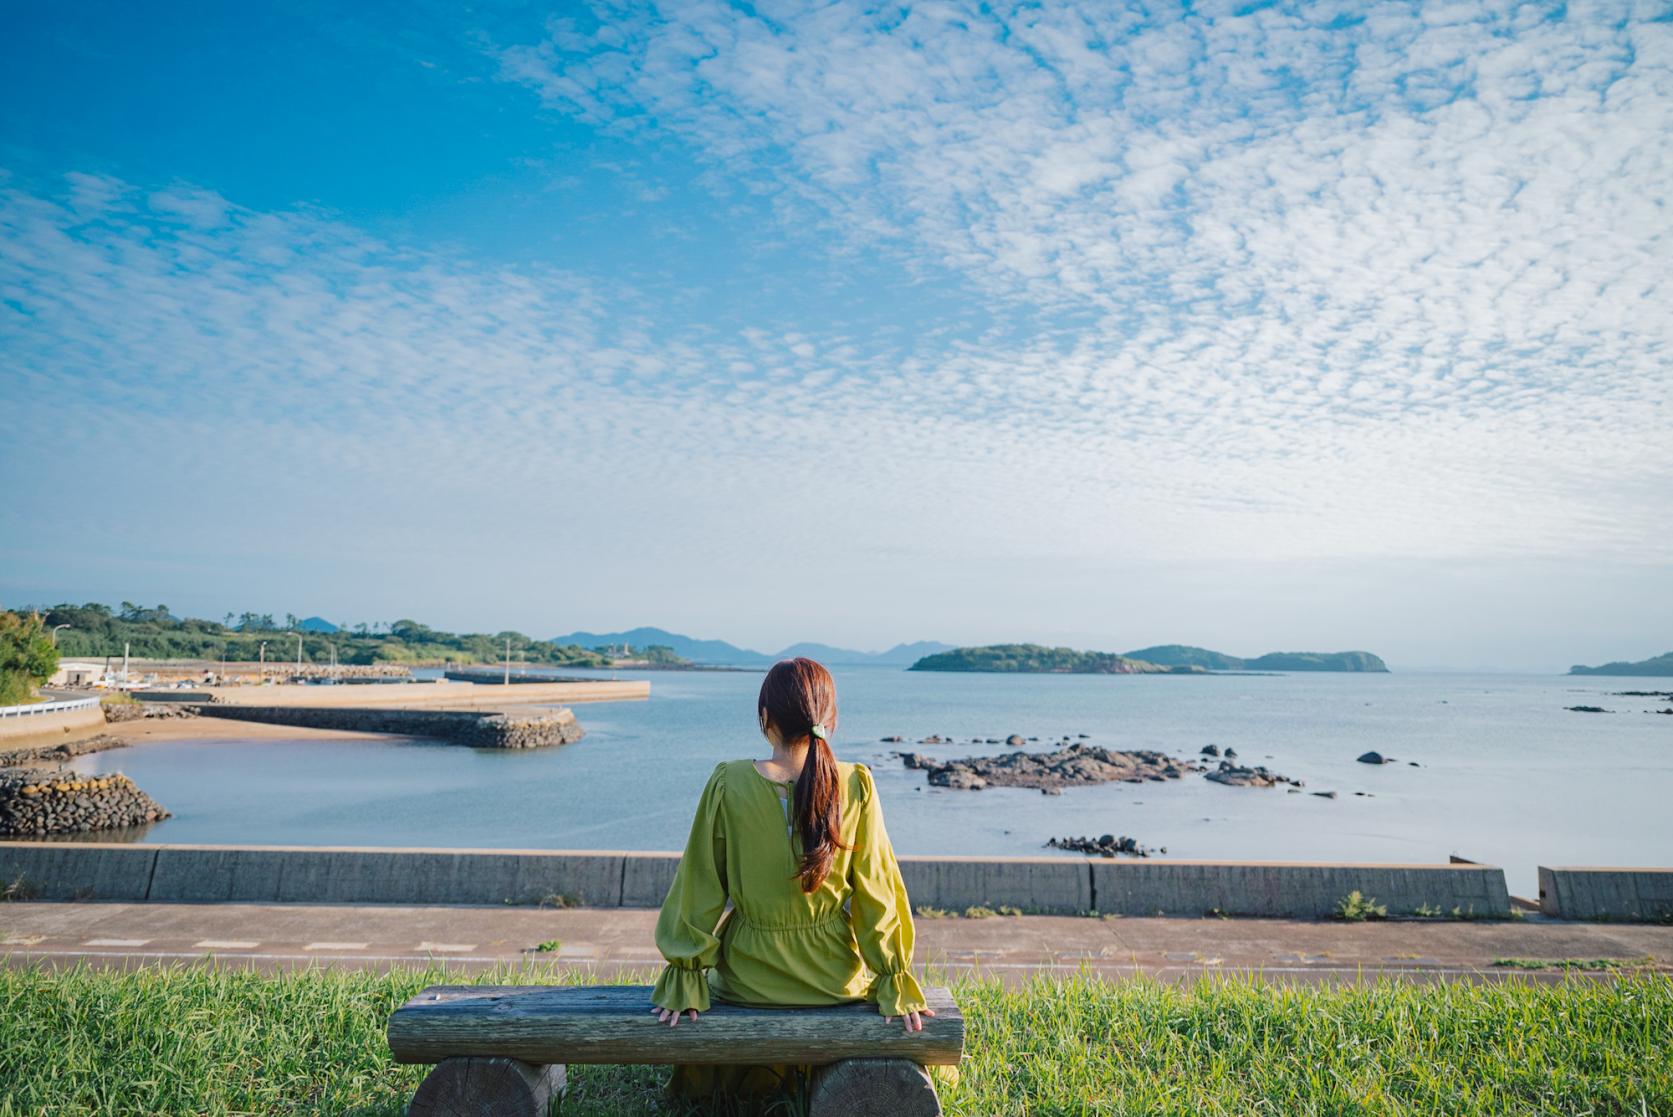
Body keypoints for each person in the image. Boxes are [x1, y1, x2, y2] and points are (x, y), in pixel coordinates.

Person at [649, 656, 933, 1104]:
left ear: (766, 718)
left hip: (749, 980)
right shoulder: (854, 783)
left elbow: (698, 888)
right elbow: (878, 892)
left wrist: (686, 974)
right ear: (829, 720)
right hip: (833, 980)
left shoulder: (728, 782)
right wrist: (894, 978)